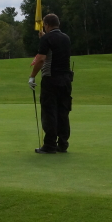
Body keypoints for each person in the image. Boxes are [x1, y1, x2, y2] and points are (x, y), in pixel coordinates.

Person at [28, 14, 72, 154]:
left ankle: (49, 145)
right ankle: (63, 144)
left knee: (49, 112)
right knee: (63, 111)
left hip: (51, 79)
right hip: (66, 79)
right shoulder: (66, 38)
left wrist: (32, 76)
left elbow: (41, 59)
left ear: (46, 25)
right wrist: (43, 39)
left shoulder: (47, 38)